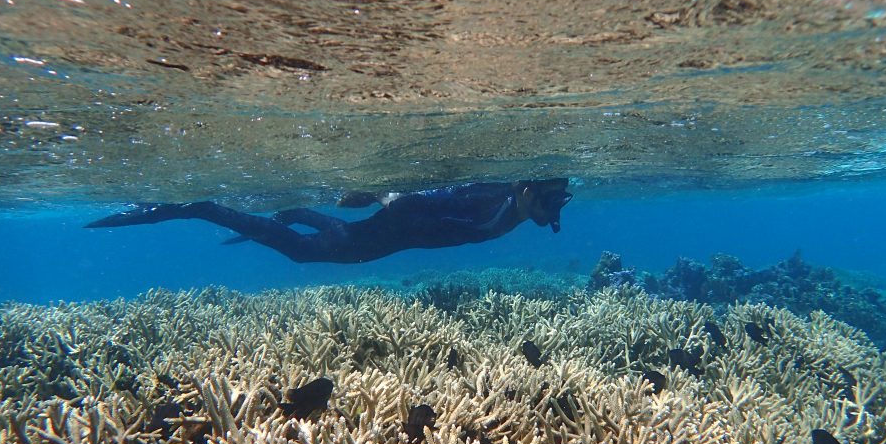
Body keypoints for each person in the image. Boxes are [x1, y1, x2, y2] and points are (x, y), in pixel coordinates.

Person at [86, 178, 572, 263]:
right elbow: (420, 203)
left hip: (386, 239)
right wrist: (382, 194)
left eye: (563, 204)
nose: (555, 215)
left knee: (342, 237)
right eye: (555, 202)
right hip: (387, 235)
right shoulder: (494, 201)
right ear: (530, 190)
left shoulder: (510, 209)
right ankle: (197, 208)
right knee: (300, 253)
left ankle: (293, 213)